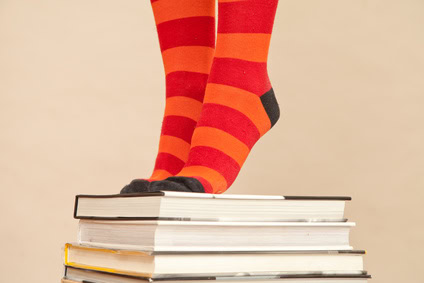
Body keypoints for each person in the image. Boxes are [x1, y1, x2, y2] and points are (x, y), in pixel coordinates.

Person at [121, 0, 280, 194]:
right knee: (186, 81)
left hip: (242, 88)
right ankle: (194, 99)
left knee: (234, 68)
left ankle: (238, 85)